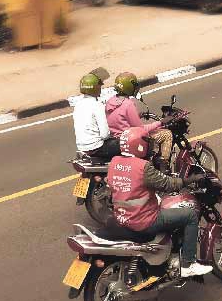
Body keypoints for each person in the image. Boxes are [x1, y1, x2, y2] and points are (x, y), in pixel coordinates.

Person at [107, 127, 213, 278]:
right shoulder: (143, 167)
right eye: (147, 143)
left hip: (122, 217)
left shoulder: (114, 162)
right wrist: (189, 180)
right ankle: (188, 264)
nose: (150, 146)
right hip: (143, 220)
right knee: (190, 215)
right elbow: (168, 184)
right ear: (139, 145)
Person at [106, 71, 174, 159]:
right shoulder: (128, 104)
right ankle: (163, 164)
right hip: (130, 140)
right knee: (167, 134)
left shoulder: (110, 101)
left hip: (117, 140)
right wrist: (160, 122)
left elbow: (119, 120)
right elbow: (141, 130)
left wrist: (138, 116)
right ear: (130, 87)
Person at [72, 71, 118, 161]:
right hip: (97, 148)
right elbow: (105, 135)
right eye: (99, 86)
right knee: (126, 145)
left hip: (81, 148)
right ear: (95, 88)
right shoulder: (97, 105)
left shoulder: (77, 105)